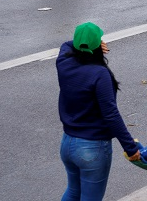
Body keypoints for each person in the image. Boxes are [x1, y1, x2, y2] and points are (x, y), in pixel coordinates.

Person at [56, 22, 140, 201]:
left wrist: (83, 41)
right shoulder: (99, 74)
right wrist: (130, 148)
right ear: (98, 46)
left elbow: (66, 44)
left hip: (67, 143)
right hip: (92, 148)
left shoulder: (64, 62)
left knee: (73, 191)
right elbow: (110, 114)